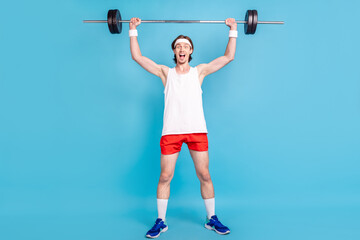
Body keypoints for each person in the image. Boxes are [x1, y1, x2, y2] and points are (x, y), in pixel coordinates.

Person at [129, 16, 237, 238]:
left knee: (204, 175)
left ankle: (212, 219)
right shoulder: (165, 73)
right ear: (174, 51)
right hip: (171, 132)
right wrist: (132, 30)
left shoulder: (200, 71)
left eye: (186, 46)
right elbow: (137, 57)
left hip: (197, 130)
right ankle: (160, 221)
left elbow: (229, 56)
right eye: (178, 46)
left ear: (190, 51)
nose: (182, 49)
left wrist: (233, 30)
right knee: (165, 177)